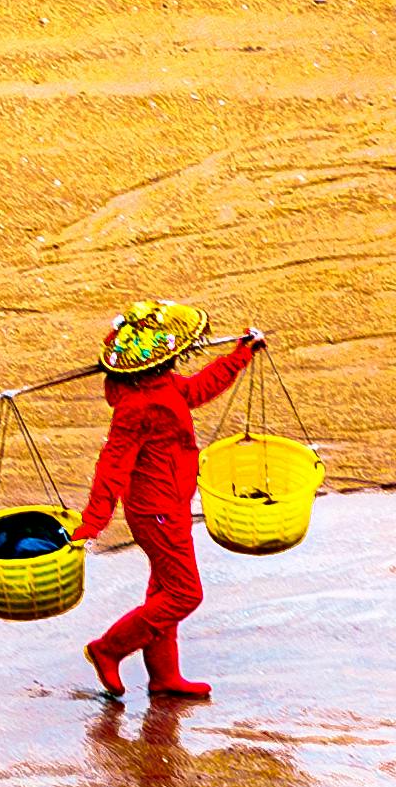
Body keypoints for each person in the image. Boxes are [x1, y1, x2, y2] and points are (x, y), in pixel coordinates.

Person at [73, 300, 262, 715]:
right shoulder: (137, 406)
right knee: (184, 593)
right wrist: (94, 519)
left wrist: (239, 357)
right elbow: (113, 463)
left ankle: (164, 677)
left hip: (171, 502)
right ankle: (109, 648)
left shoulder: (161, 386)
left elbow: (197, 389)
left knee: (163, 590)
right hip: (154, 511)